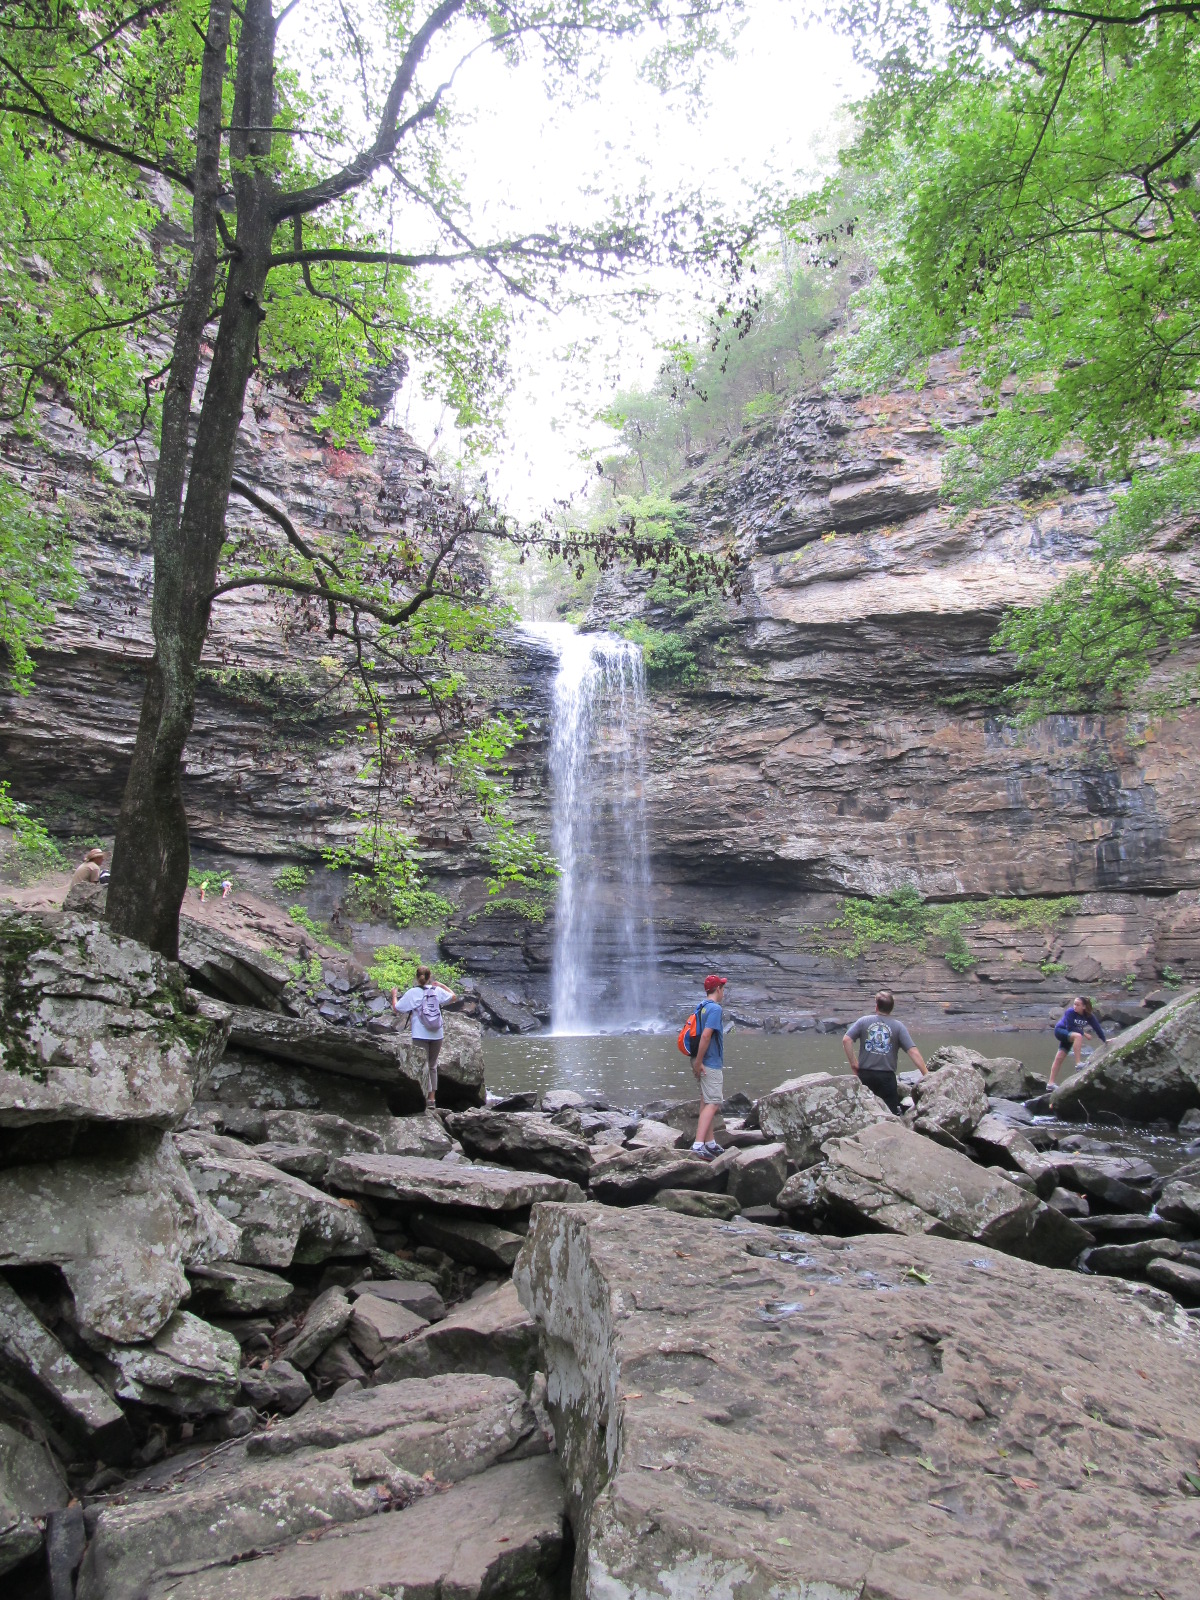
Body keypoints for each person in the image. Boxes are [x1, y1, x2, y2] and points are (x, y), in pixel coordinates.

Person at [842, 990, 928, 1114]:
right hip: (887, 1078)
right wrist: (926, 1074)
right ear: (891, 1008)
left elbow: (846, 1040)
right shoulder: (898, 1027)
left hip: (865, 1075)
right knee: (890, 1114)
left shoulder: (863, 1021)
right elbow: (913, 1052)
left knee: (864, 1112)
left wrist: (854, 1064)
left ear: (876, 1006)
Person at [391, 966, 457, 1110]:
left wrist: (394, 995)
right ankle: (432, 1099)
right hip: (437, 1034)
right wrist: (441, 985)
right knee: (432, 1065)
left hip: (420, 1035)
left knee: (423, 1065)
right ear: (429, 977)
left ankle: (422, 1097)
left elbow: (397, 1008)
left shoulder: (412, 993)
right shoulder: (436, 991)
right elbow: (453, 997)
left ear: (417, 977)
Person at [690, 974, 728, 1159]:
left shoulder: (701, 1007)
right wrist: (699, 1062)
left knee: (706, 1100)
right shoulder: (714, 1009)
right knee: (713, 1102)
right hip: (709, 1062)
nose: (723, 992)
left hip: (701, 1060)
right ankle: (698, 1145)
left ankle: (710, 1143)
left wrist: (697, 1061)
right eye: (722, 988)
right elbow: (706, 1036)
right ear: (718, 989)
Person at [1048, 996, 1106, 1088]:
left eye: (1077, 1005)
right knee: (1078, 1036)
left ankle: (1050, 1084)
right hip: (1060, 1031)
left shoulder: (1089, 1016)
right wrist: (1084, 1034)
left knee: (1059, 1058)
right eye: (1074, 1004)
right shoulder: (1070, 1012)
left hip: (1070, 1034)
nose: (1075, 1006)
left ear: (1084, 1006)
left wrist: (1105, 1040)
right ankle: (1078, 1064)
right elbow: (1070, 1027)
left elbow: (1097, 1028)